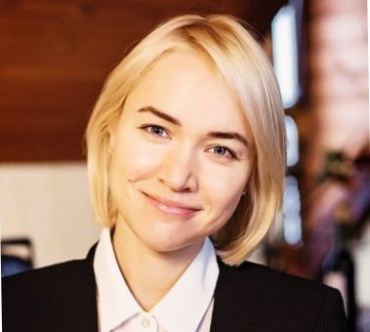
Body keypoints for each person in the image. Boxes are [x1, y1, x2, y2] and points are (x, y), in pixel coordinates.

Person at [2, 14, 346, 332]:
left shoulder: (308, 318)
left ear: (251, 179)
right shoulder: (11, 309)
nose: (178, 177)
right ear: (110, 134)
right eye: (157, 130)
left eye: (220, 150)